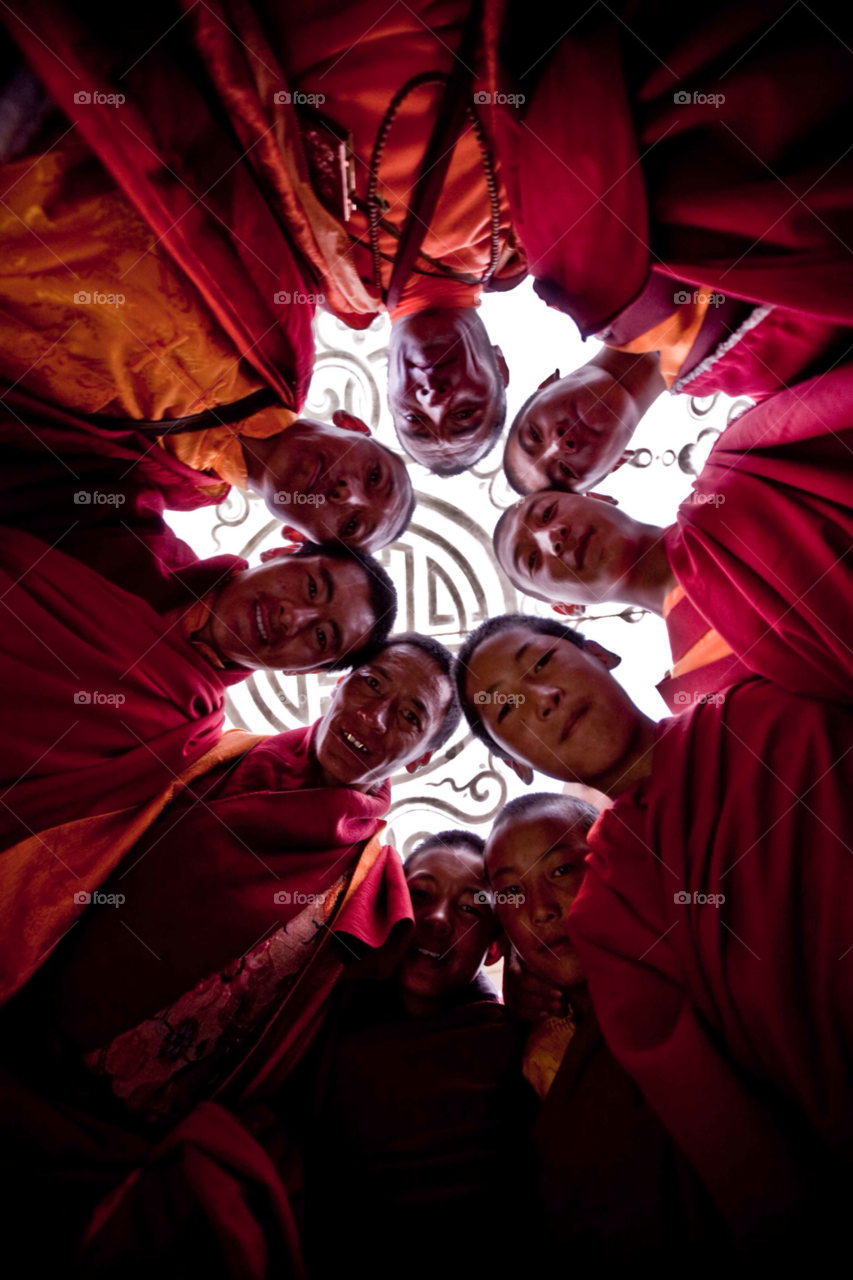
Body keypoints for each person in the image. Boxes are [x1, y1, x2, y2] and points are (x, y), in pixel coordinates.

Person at [0, 633, 459, 1271]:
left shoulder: (373, 891)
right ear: (335, 684)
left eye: (411, 716)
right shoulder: (200, 753)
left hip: (111, 1154)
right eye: (372, 682)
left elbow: (408, 1009)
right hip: (14, 1038)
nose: (375, 716)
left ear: (419, 759)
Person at [456, 612, 853, 1257]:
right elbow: (727, 1129)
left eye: (540, 664)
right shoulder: (605, 915)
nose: (543, 698)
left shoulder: (774, 705)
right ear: (515, 764)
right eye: (506, 710)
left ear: (600, 651)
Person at [496, 363, 853, 711]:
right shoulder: (702, 701)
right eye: (531, 560)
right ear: (567, 608)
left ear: (594, 498)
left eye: (547, 513)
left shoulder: (739, 462)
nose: (552, 538)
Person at [484, 792, 722, 1260]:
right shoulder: (536, 1059)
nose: (541, 910)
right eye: (511, 892)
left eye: (562, 870)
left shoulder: (704, 981)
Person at [295, 829, 535, 1280]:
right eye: (421, 894)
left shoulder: (510, 1047)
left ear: (497, 946)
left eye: (470, 908)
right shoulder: (323, 1002)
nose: (439, 920)